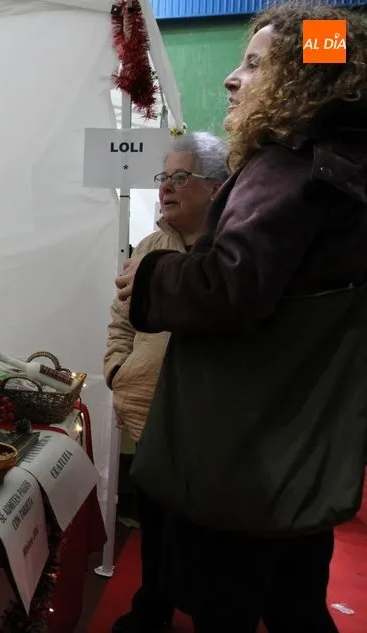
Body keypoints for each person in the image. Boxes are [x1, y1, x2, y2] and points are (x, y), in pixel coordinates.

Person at [116, 5, 367, 632]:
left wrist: (150, 278)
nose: (233, 78)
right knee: (294, 603)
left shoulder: (287, 166)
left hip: (243, 450)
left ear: (302, 79)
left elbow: (229, 286)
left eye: (254, 64)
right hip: (292, 445)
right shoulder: (342, 165)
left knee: (229, 607)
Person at [104, 131, 227, 633]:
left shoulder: (230, 253)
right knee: (154, 523)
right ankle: (152, 610)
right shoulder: (150, 247)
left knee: (205, 533)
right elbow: (120, 321)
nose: (166, 187)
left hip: (210, 425)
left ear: (216, 187)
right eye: (163, 177)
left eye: (181, 176)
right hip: (148, 410)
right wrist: (117, 369)